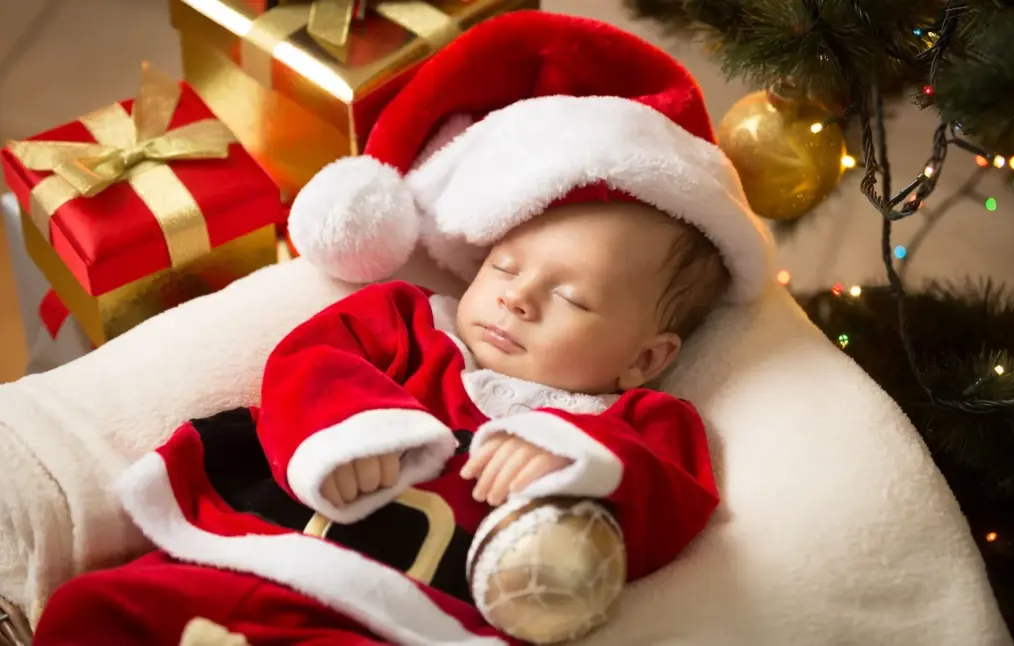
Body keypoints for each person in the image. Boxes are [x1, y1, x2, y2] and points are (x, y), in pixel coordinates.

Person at [31, 9, 773, 646]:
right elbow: (313, 360)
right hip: (254, 543)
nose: (517, 300)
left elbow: (668, 496)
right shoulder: (411, 322)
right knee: (92, 610)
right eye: (506, 268)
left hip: (401, 617)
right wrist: (356, 430)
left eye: (573, 299)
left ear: (646, 356)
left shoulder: (639, 419)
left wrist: (568, 462)